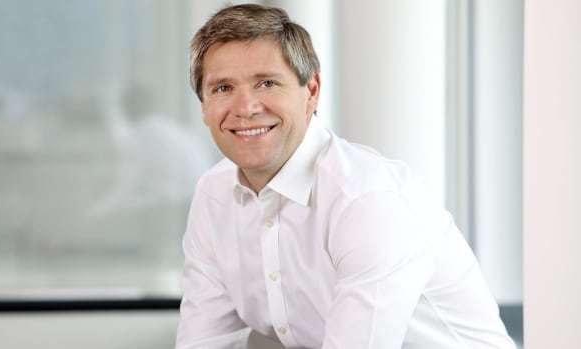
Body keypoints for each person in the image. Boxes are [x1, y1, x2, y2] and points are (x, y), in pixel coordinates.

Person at [176, 4, 517, 348]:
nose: (245, 107)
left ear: (311, 92)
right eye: (222, 88)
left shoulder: (366, 199)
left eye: (266, 83)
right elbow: (204, 339)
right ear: (204, 106)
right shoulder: (215, 193)